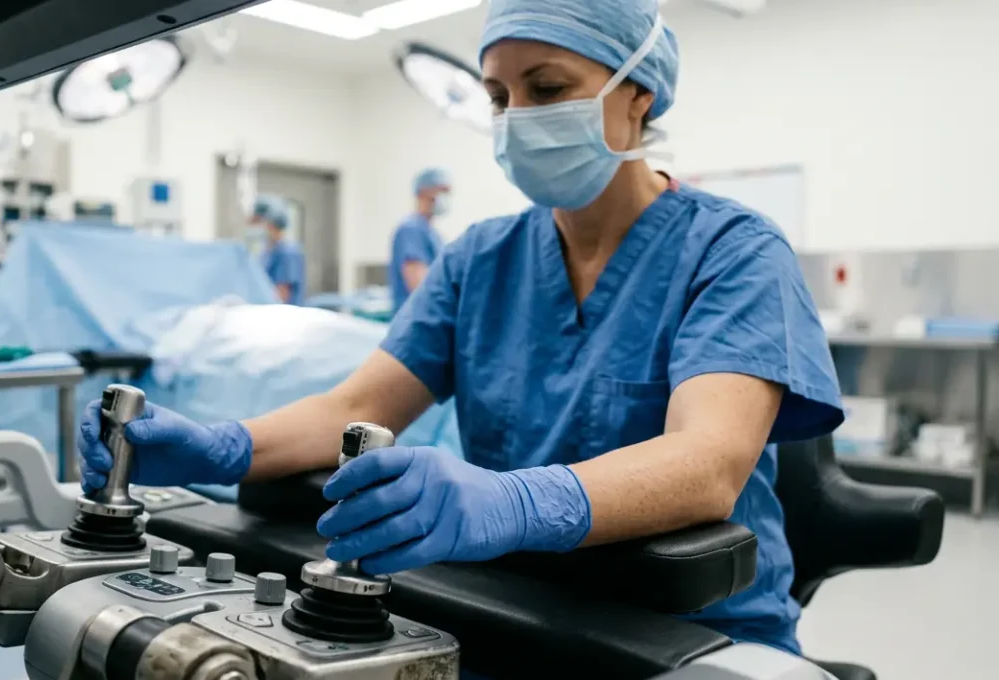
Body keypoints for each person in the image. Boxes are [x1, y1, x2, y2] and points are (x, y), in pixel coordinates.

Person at [79, 0, 842, 658]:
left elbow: (708, 464)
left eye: (547, 88)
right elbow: (357, 408)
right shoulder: (481, 259)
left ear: (638, 94)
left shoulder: (734, 252)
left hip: (691, 635)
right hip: (506, 613)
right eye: (499, 96)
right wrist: (224, 447)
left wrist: (510, 504)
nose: (516, 119)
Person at [388, 168, 450, 313]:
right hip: (415, 322)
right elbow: (419, 286)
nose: (445, 198)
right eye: (441, 191)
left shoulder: (431, 233)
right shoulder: (411, 230)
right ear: (423, 192)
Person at [249, 195, 307, 305]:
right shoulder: (267, 252)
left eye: (257, 222)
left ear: (271, 223)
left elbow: (282, 295)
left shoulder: (288, 253)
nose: (254, 227)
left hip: (283, 316)